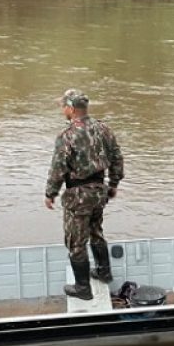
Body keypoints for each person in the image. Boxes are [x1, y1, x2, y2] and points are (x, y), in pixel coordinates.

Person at [45, 89, 124, 300]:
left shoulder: (67, 136)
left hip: (78, 196)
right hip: (99, 192)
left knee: (75, 242)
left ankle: (83, 288)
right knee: (96, 231)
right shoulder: (104, 129)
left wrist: (50, 193)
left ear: (71, 109)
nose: (63, 110)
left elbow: (58, 168)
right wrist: (113, 183)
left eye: (63, 106)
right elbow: (117, 157)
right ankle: (104, 272)